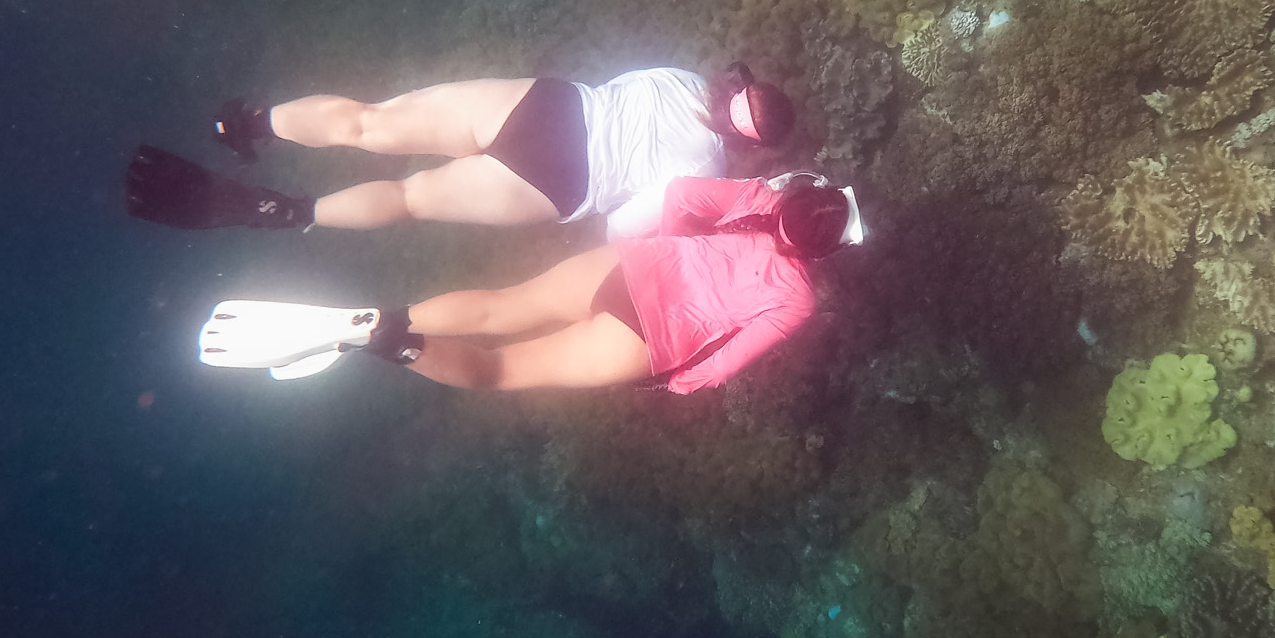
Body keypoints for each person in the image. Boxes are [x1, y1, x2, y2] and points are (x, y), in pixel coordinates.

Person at [196, 173, 865, 393]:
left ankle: (382, 312)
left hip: (628, 266)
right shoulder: (799, 298)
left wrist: (664, 243)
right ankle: (386, 343)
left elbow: (686, 192)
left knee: (498, 307)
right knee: (500, 371)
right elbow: (718, 369)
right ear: (829, 252)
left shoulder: (762, 197)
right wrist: (672, 381)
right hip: (653, 338)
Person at [125, 63, 795, 239]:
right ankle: (290, 212)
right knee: (410, 199)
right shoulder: (706, 171)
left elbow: (617, 83)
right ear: (749, 145)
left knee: (371, 122)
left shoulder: (679, 78)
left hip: (553, 106)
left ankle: (252, 122)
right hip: (569, 184)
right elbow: (622, 227)